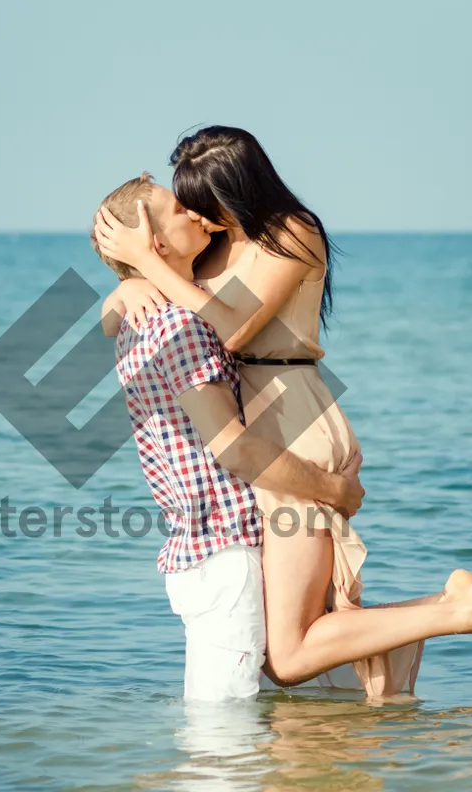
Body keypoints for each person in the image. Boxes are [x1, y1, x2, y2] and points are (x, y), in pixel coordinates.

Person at [94, 128, 472, 697]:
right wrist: (119, 294)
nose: (196, 214)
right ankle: (452, 603)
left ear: (235, 188)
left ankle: (464, 612)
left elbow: (231, 324)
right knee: (300, 635)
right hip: (259, 416)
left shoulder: (291, 231)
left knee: (288, 655)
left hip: (294, 418)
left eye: (202, 201)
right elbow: (154, 312)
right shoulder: (217, 242)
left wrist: (146, 263)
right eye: (185, 204)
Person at [93, 173, 366, 701]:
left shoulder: (141, 317)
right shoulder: (181, 326)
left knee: (262, 710)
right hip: (224, 555)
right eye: (179, 210)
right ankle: (459, 611)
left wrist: (131, 280)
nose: (196, 214)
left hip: (205, 548)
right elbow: (234, 448)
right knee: (226, 730)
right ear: (155, 242)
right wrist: (333, 490)